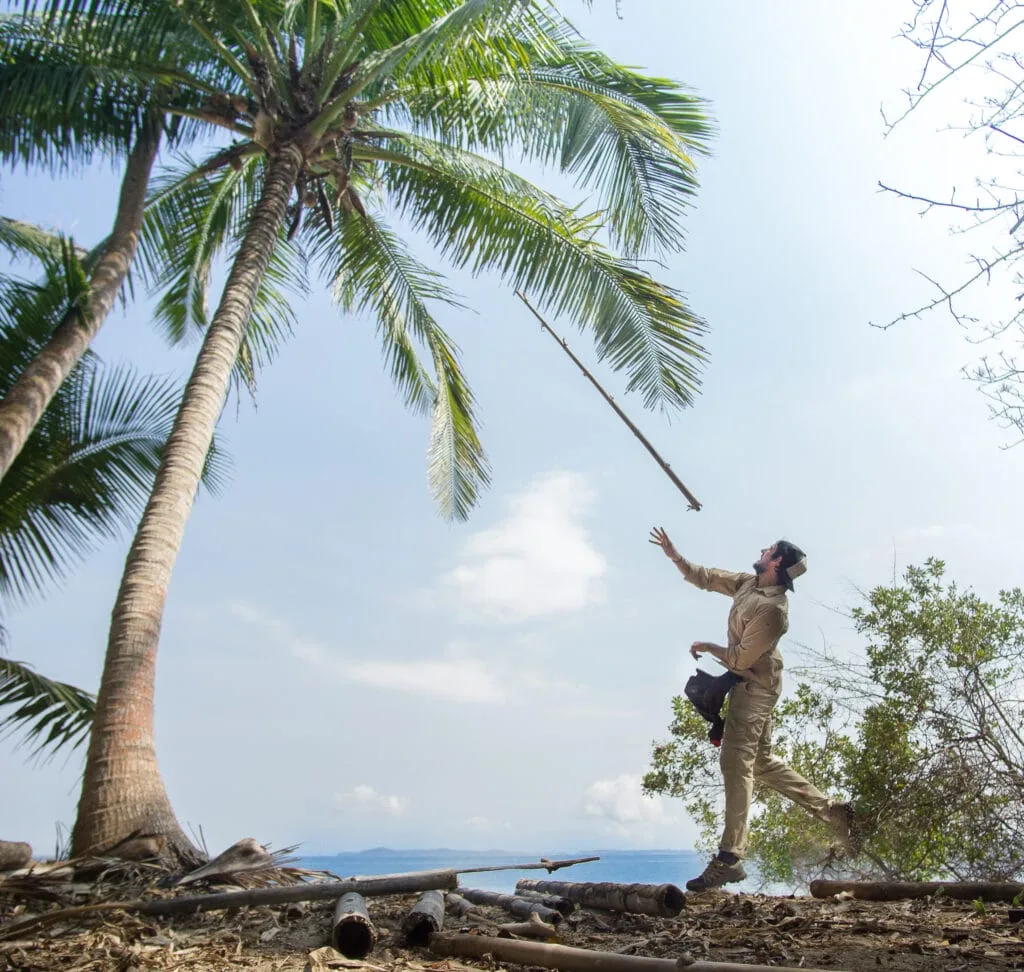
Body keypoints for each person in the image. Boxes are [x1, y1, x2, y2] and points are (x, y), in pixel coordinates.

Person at [649, 527, 858, 892]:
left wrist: (710, 647)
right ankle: (833, 812)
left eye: (770, 549)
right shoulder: (749, 583)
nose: (763, 549)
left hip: (756, 687)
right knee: (759, 762)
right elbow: (708, 578)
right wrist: (675, 556)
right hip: (746, 679)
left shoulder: (774, 611)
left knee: (735, 761)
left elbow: (741, 657)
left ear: (777, 562)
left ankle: (730, 857)